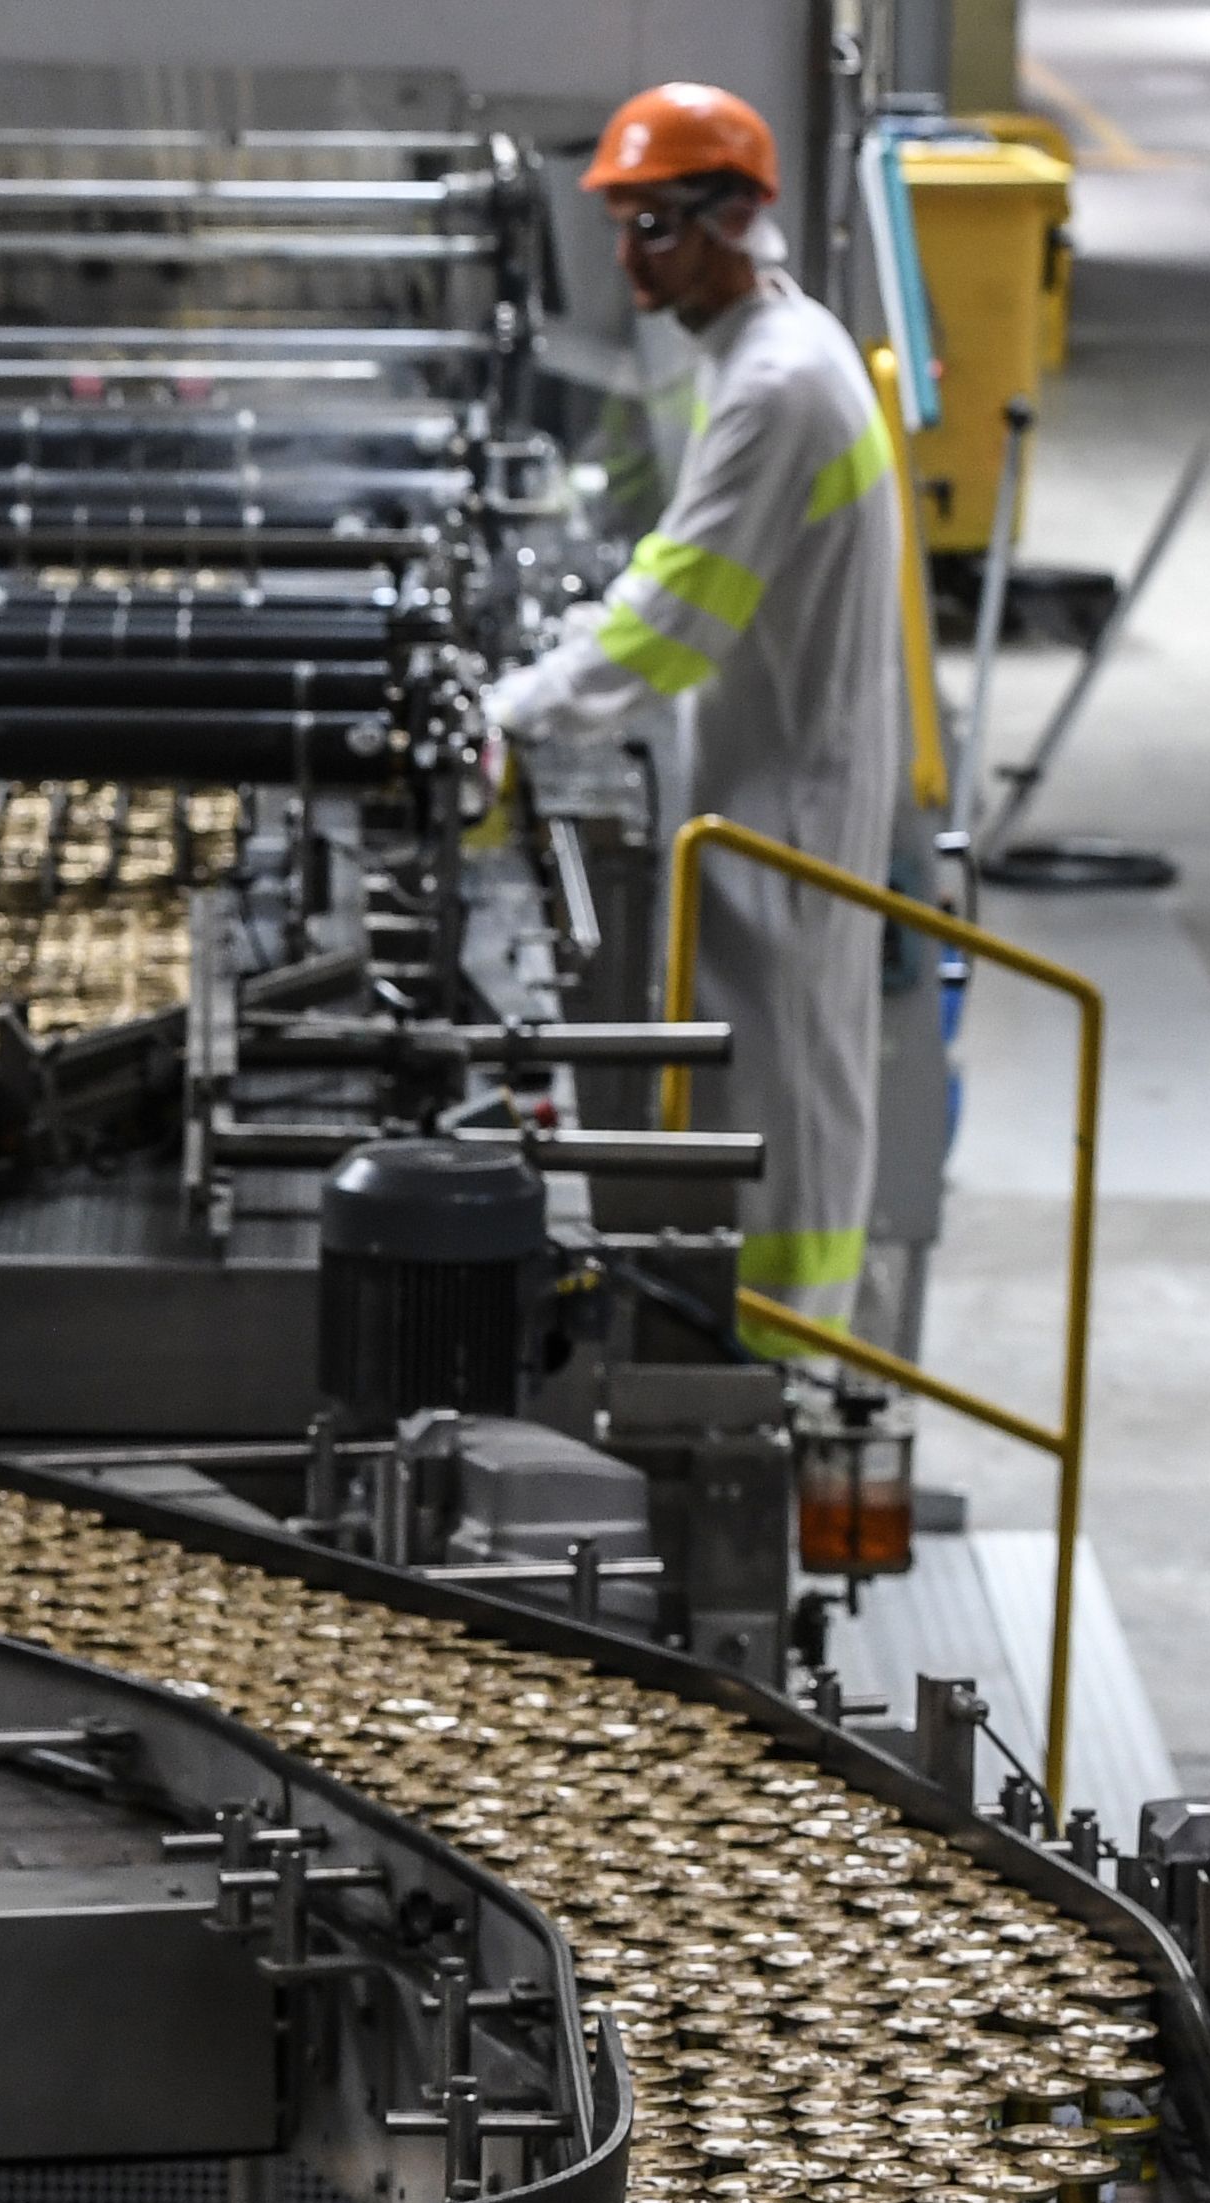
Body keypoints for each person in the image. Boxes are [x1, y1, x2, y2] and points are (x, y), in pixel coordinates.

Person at [487, 82, 906, 1338]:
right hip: (760, 796)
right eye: (618, 226)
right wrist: (561, 653)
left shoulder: (780, 387)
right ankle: (753, 1351)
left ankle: (780, 1378)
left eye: (651, 226)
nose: (624, 257)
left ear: (733, 220)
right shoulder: (758, 359)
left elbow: (672, 623)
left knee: (783, 1111)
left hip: (784, 824)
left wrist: (510, 709)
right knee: (771, 1101)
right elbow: (677, 566)